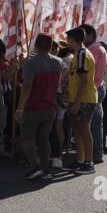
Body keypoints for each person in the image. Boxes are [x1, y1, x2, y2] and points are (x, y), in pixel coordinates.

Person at [16, 34, 65, 180]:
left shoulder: (31, 63)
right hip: (50, 106)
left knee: (28, 138)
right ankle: (45, 168)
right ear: (51, 47)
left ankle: (35, 167)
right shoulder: (58, 62)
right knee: (44, 139)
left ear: (36, 46)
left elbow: (27, 88)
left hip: (33, 106)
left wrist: (19, 109)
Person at [66, 27, 98, 175]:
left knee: (84, 129)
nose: (68, 42)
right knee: (78, 130)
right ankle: (80, 160)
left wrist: (77, 102)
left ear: (74, 40)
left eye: (69, 40)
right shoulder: (78, 54)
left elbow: (84, 81)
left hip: (85, 99)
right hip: (79, 99)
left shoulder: (82, 55)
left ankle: (89, 162)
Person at [81, 24, 107, 164]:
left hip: (93, 89)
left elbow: (87, 73)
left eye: (83, 35)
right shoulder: (99, 47)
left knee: (88, 125)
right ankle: (97, 153)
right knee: (96, 124)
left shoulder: (92, 49)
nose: (82, 38)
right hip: (99, 87)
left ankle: (91, 155)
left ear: (90, 35)